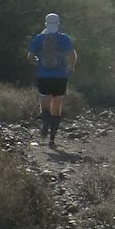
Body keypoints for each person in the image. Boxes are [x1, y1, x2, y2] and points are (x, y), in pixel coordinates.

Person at [27, 13, 78, 147]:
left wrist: (38, 62)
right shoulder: (65, 38)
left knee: (45, 106)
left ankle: (45, 121)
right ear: (58, 24)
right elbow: (72, 55)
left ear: (45, 23)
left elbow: (30, 57)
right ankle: (52, 140)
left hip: (43, 76)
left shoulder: (39, 38)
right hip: (60, 77)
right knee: (57, 106)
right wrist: (70, 67)